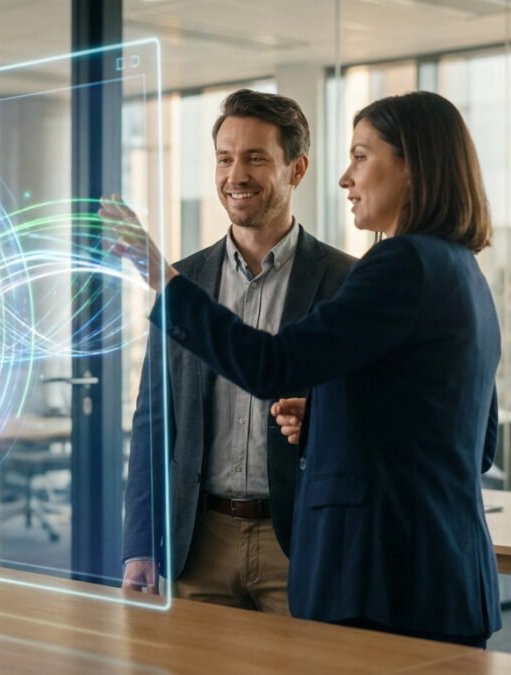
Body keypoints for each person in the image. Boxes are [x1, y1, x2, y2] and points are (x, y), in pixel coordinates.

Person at [106, 90, 500, 645]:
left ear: (413, 163)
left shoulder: (396, 265)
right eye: (223, 157)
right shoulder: (461, 270)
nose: (347, 177)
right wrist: (325, 419)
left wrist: (157, 274)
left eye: (362, 156)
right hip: (439, 576)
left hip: (388, 577)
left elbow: (270, 365)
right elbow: (469, 439)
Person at [120, 89, 357, 614]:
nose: (236, 175)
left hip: (298, 539)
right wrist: (140, 542)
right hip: (198, 541)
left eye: (255, 158)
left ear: (297, 169)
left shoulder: (347, 280)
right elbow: (153, 421)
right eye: (225, 159)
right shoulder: (188, 281)